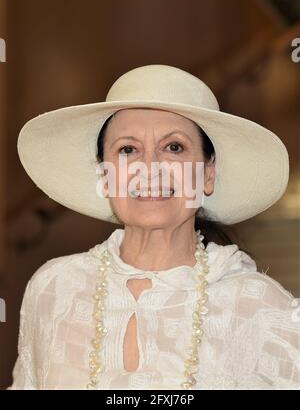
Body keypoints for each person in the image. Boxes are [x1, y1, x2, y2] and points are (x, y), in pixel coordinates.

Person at [9, 65, 300, 390]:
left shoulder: (261, 307)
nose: (149, 169)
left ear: (207, 173)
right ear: (105, 175)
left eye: (173, 147)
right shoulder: (54, 288)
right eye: (127, 150)